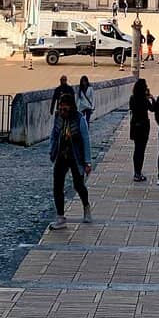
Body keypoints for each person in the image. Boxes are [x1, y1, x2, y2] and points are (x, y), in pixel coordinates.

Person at [48, 90, 93, 229]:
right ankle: (60, 217)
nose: (62, 111)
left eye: (65, 109)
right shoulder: (58, 118)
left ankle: (86, 206)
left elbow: (86, 140)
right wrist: (51, 150)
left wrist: (87, 162)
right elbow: (54, 135)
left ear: (71, 107)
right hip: (61, 155)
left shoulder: (79, 119)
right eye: (60, 108)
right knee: (57, 186)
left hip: (76, 157)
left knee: (78, 185)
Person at [128, 77, 154, 181]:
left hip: (135, 125)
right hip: (143, 126)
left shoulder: (132, 98)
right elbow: (153, 109)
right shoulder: (144, 99)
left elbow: (131, 108)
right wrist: (151, 98)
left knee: (136, 149)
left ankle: (136, 172)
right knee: (141, 150)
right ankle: (138, 172)